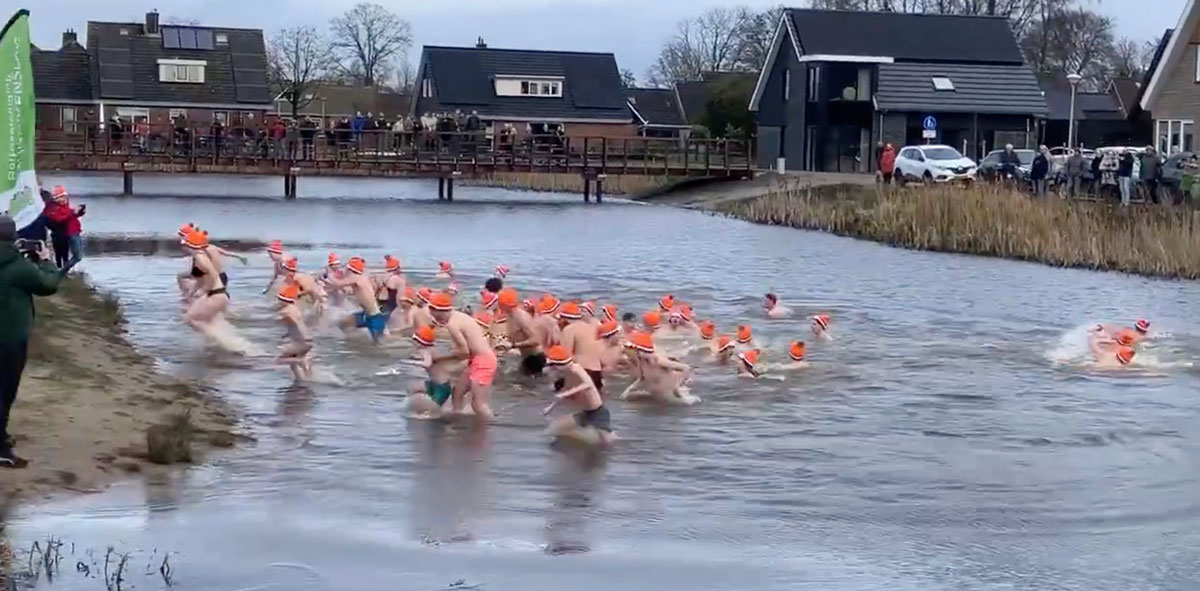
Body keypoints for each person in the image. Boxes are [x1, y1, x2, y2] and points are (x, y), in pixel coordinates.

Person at [0, 215, 61, 468]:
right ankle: (1, 449)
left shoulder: (18, 264)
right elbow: (47, 285)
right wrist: (46, 261)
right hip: (10, 338)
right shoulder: (18, 266)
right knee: (5, 391)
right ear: (14, 236)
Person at [429, 292, 497, 418]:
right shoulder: (458, 316)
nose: (430, 314)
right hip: (476, 360)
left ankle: (492, 426)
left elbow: (464, 352)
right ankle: (458, 421)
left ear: (436, 310)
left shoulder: (452, 324)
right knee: (457, 393)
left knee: (478, 404)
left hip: (484, 361)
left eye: (431, 310)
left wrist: (438, 359)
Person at [542, 345, 616, 445]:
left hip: (598, 413)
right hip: (584, 413)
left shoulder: (576, 368)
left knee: (608, 442)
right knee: (554, 430)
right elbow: (564, 391)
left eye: (554, 366)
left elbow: (588, 384)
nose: (554, 369)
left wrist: (566, 394)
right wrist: (550, 407)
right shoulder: (568, 374)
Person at [182, 229, 232, 342]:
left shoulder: (200, 259)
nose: (184, 248)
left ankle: (227, 341)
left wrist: (204, 290)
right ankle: (216, 342)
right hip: (219, 294)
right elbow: (201, 279)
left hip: (215, 295)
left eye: (186, 245)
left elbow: (213, 276)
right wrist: (192, 292)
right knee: (209, 320)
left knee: (190, 319)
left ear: (190, 246)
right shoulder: (200, 256)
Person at [620, 332, 696, 404]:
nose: (626, 351)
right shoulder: (641, 363)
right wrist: (627, 392)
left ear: (639, 351)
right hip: (657, 396)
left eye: (630, 349)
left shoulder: (659, 361)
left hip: (672, 396)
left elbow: (686, 368)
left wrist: (677, 388)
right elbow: (641, 379)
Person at [331, 257, 387, 342]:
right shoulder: (361, 278)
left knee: (379, 342)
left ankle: (402, 340)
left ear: (350, 270)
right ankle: (353, 341)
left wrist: (329, 274)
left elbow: (338, 283)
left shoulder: (357, 278)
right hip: (365, 315)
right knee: (343, 323)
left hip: (375, 317)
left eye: (346, 268)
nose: (344, 270)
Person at [558, 301, 606, 394]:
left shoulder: (569, 329)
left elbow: (565, 357)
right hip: (597, 373)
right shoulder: (591, 328)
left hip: (583, 372)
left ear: (565, 318)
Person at [498, 288, 546, 376]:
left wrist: (513, 345)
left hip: (535, 357)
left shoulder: (522, 317)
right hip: (525, 357)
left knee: (531, 383)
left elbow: (536, 340)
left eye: (499, 303)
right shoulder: (509, 315)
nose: (498, 305)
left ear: (505, 305)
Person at [407, 325, 453, 418]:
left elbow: (427, 364)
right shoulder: (431, 349)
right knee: (414, 388)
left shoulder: (425, 351)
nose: (413, 343)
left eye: (415, 341)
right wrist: (417, 358)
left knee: (432, 412)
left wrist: (414, 363)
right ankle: (420, 408)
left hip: (441, 387)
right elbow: (431, 358)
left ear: (420, 342)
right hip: (436, 384)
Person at [42, 185, 85, 274]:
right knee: (76, 256)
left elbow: (69, 216)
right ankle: (63, 272)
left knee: (72, 255)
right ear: (56, 198)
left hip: (74, 231)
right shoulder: (52, 208)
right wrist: (73, 212)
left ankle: (65, 271)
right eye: (61, 197)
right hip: (66, 233)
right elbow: (60, 218)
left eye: (65, 197)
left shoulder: (64, 206)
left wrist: (79, 212)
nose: (64, 199)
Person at [275, 284, 313, 381]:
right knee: (293, 361)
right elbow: (296, 324)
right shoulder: (296, 308)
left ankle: (301, 361)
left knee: (280, 360)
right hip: (308, 339)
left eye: (279, 300)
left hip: (301, 341)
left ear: (283, 300)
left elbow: (273, 320)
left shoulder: (285, 311)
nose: (277, 302)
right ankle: (306, 378)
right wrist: (287, 334)